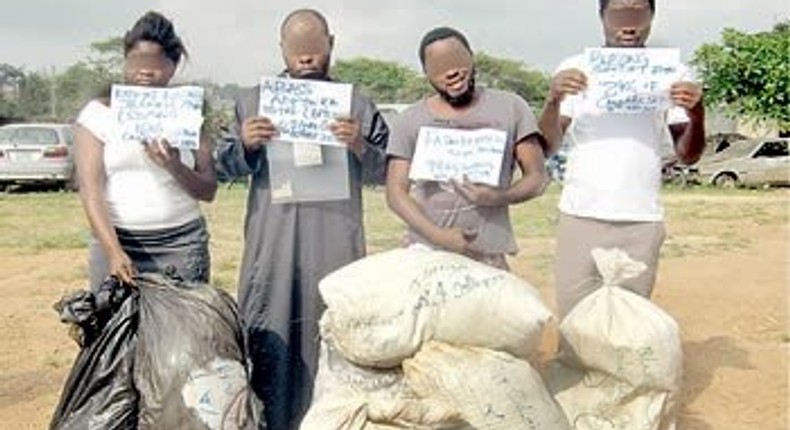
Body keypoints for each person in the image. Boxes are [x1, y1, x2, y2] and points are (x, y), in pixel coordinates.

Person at [214, 9, 389, 429]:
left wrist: (360, 146)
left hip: (336, 241)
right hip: (273, 244)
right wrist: (246, 145)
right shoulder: (253, 102)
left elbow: (387, 172)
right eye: (296, 51)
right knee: (270, 333)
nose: (306, 60)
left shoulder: (356, 104)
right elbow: (222, 167)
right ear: (282, 50)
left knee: (333, 331)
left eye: (313, 50)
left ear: (331, 44)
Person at [538, 0, 706, 317]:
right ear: (602, 17)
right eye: (618, 14)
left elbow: (688, 155)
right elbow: (547, 146)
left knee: (631, 319)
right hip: (581, 214)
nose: (628, 24)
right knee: (575, 316)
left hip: (641, 219)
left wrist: (697, 113)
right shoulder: (575, 69)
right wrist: (552, 101)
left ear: (652, 17)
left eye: (639, 13)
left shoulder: (672, 74)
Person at [74, 11, 217, 290]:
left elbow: (208, 190)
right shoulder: (97, 115)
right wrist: (114, 252)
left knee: (183, 332)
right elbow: (91, 190)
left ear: (172, 67)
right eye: (137, 61)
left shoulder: (188, 113)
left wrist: (173, 165)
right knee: (116, 330)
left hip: (182, 244)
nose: (145, 71)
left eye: (156, 63)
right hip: (116, 241)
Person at [385, 27, 547, 271]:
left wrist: (497, 197)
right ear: (426, 73)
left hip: (489, 254)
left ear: (472, 59)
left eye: (458, 61)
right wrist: (440, 236)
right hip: (425, 252)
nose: (451, 72)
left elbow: (537, 177)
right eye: (439, 67)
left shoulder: (510, 108)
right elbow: (395, 193)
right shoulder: (410, 120)